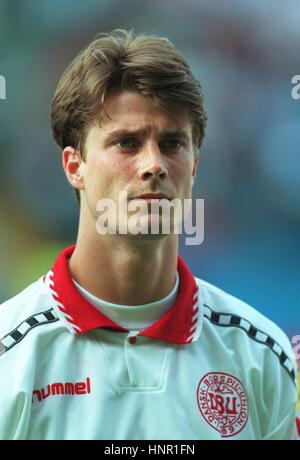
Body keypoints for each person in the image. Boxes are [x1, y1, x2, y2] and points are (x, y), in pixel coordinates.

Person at [0, 29, 297, 440]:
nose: (154, 165)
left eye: (173, 144)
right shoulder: (10, 357)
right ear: (74, 166)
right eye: (126, 143)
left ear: (193, 165)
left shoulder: (260, 353)